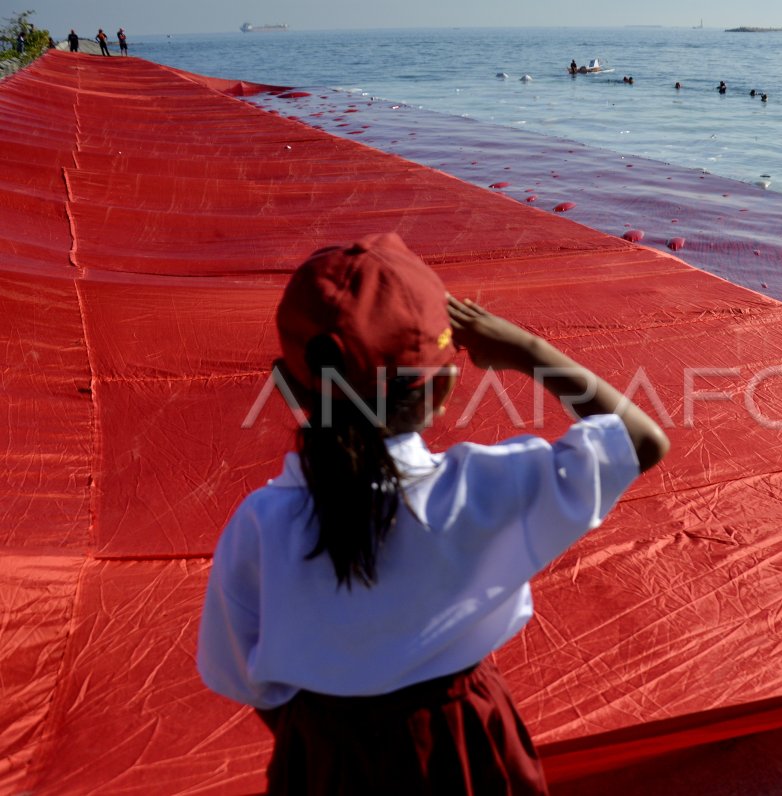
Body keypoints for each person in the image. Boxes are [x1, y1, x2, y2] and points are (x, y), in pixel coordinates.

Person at [197, 232, 669, 794]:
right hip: (462, 745)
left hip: (325, 758)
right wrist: (525, 350)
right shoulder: (485, 488)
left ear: (286, 384)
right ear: (442, 390)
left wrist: (327, 735)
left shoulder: (260, 523)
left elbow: (237, 673)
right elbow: (640, 440)